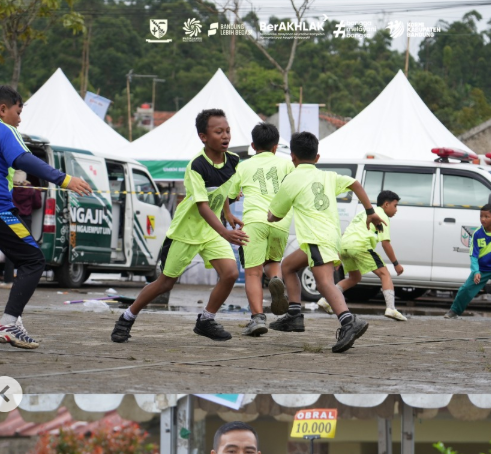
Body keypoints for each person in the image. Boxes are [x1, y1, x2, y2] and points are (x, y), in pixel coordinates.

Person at [111, 109, 249, 344]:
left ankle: (206, 320)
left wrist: (227, 213)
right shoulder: (196, 166)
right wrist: (225, 231)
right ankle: (127, 316)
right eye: (219, 132)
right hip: (186, 232)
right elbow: (203, 206)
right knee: (165, 282)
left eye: (227, 131)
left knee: (230, 273)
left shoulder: (234, 162)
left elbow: (225, 190)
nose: (225, 136)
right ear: (203, 137)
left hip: (211, 231)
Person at [266, 131, 383, 353]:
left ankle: (349, 321)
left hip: (315, 238)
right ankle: (294, 315)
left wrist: (270, 216)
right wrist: (370, 211)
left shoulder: (292, 178)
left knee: (324, 283)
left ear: (292, 157)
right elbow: (356, 184)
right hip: (329, 237)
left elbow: (276, 215)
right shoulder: (328, 176)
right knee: (288, 267)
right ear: (317, 157)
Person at [0, 86, 91, 348]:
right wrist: (64, 178)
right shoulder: (5, 129)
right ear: (3, 109)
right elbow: (23, 159)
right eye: (18, 112)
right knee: (33, 260)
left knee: (22, 260)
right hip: (2, 211)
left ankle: (14, 322)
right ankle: (9, 322)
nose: (20, 119)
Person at [226, 123, 292, 336]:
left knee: (253, 273)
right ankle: (276, 281)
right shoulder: (287, 165)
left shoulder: (243, 166)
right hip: (281, 222)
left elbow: (231, 193)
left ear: (253, 145)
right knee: (273, 263)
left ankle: (257, 318)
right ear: (276, 146)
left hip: (254, 222)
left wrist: (235, 197)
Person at [318, 189, 407, 321]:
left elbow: (349, 231)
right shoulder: (381, 216)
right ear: (386, 204)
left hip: (345, 246)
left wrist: (339, 255)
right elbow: (385, 244)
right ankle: (391, 308)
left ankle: (326, 300)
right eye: (395, 206)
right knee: (385, 274)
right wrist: (396, 264)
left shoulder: (363, 213)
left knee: (354, 277)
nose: (396, 210)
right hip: (360, 246)